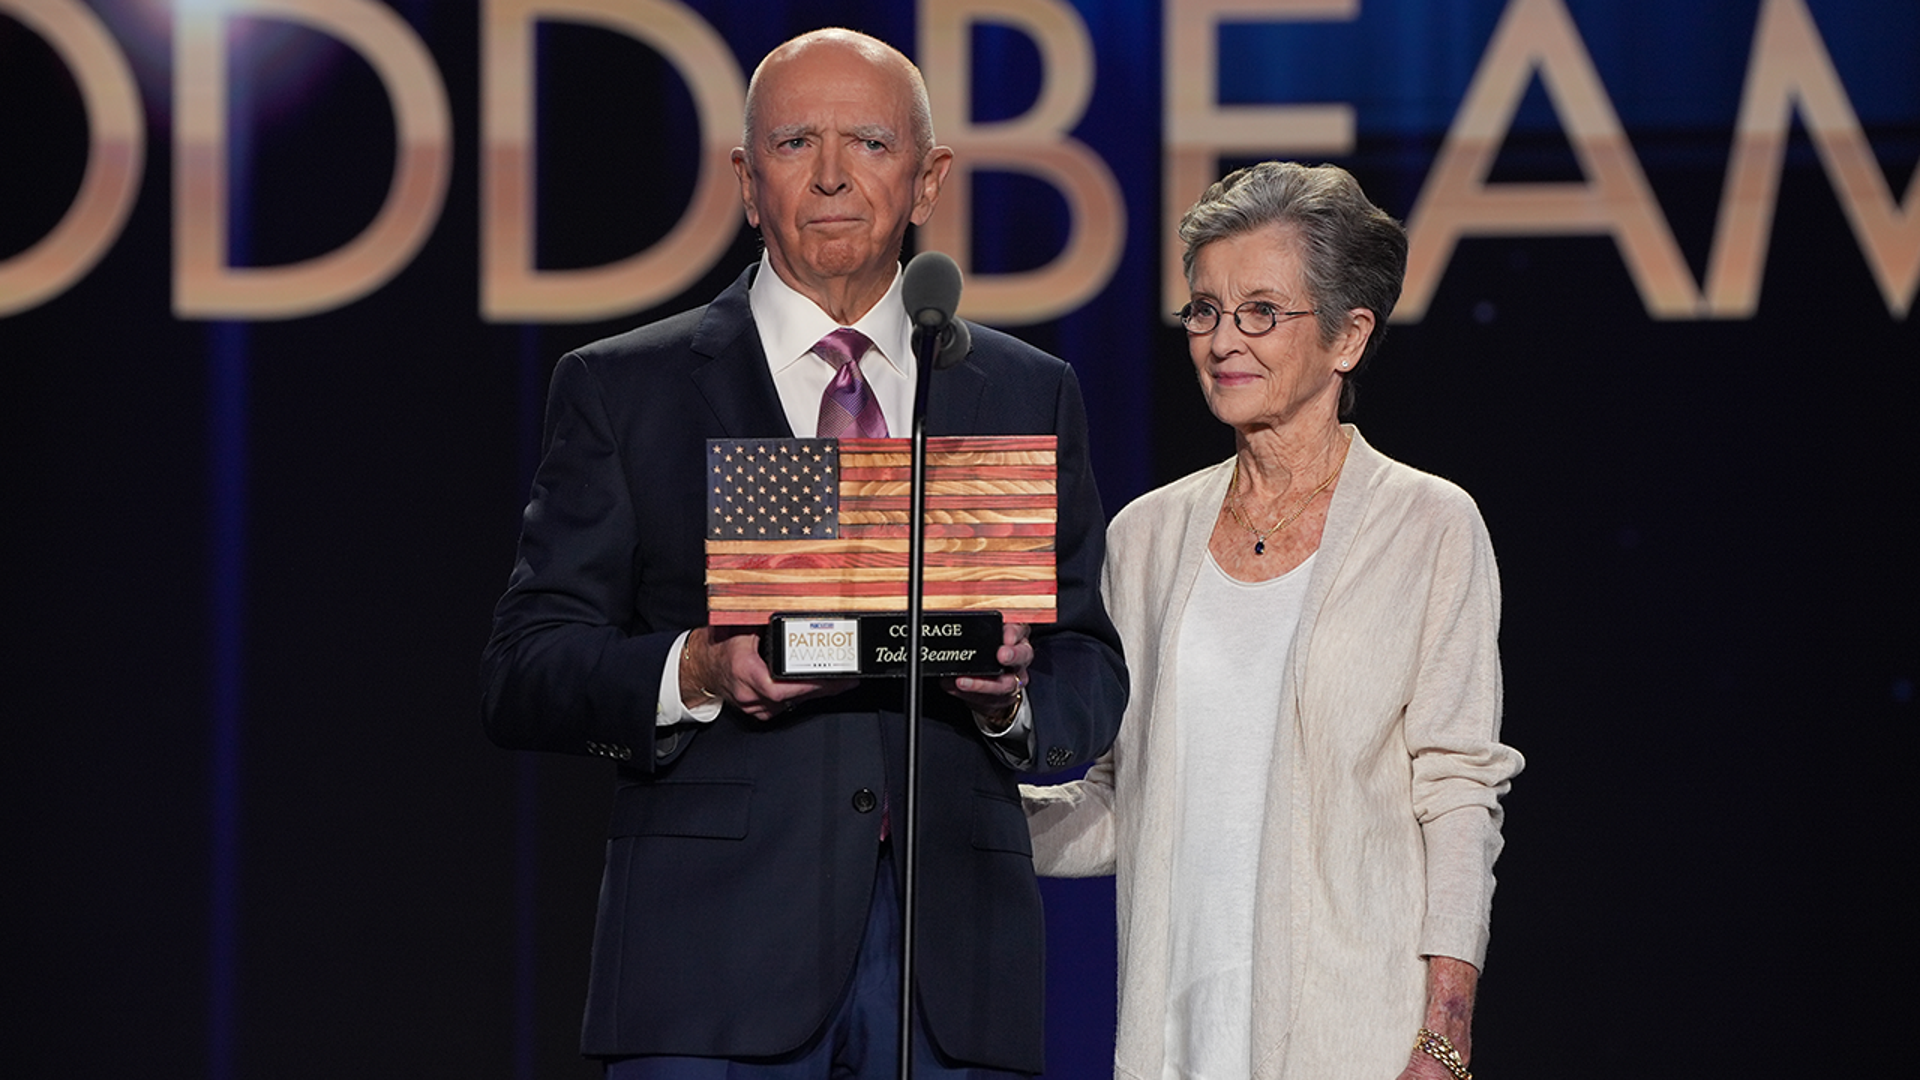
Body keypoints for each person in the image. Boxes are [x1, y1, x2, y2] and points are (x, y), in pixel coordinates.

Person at [481, 28, 1126, 1079]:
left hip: (949, 973)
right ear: (746, 179)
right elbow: (523, 670)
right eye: (793, 142)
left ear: (927, 181)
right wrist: (694, 667)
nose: (830, 174)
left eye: (869, 142)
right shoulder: (626, 387)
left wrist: (1010, 701)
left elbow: (1089, 668)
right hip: (710, 971)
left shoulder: (1020, 390)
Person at [1021, 161, 1523, 1080]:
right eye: (1205, 311)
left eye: (1260, 311)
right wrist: (959, 812)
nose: (1222, 341)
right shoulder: (1147, 538)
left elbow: (1457, 794)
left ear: (1348, 337)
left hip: (1356, 1036)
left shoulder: (1428, 526)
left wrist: (1443, 1038)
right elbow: (1117, 804)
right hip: (1177, 1033)